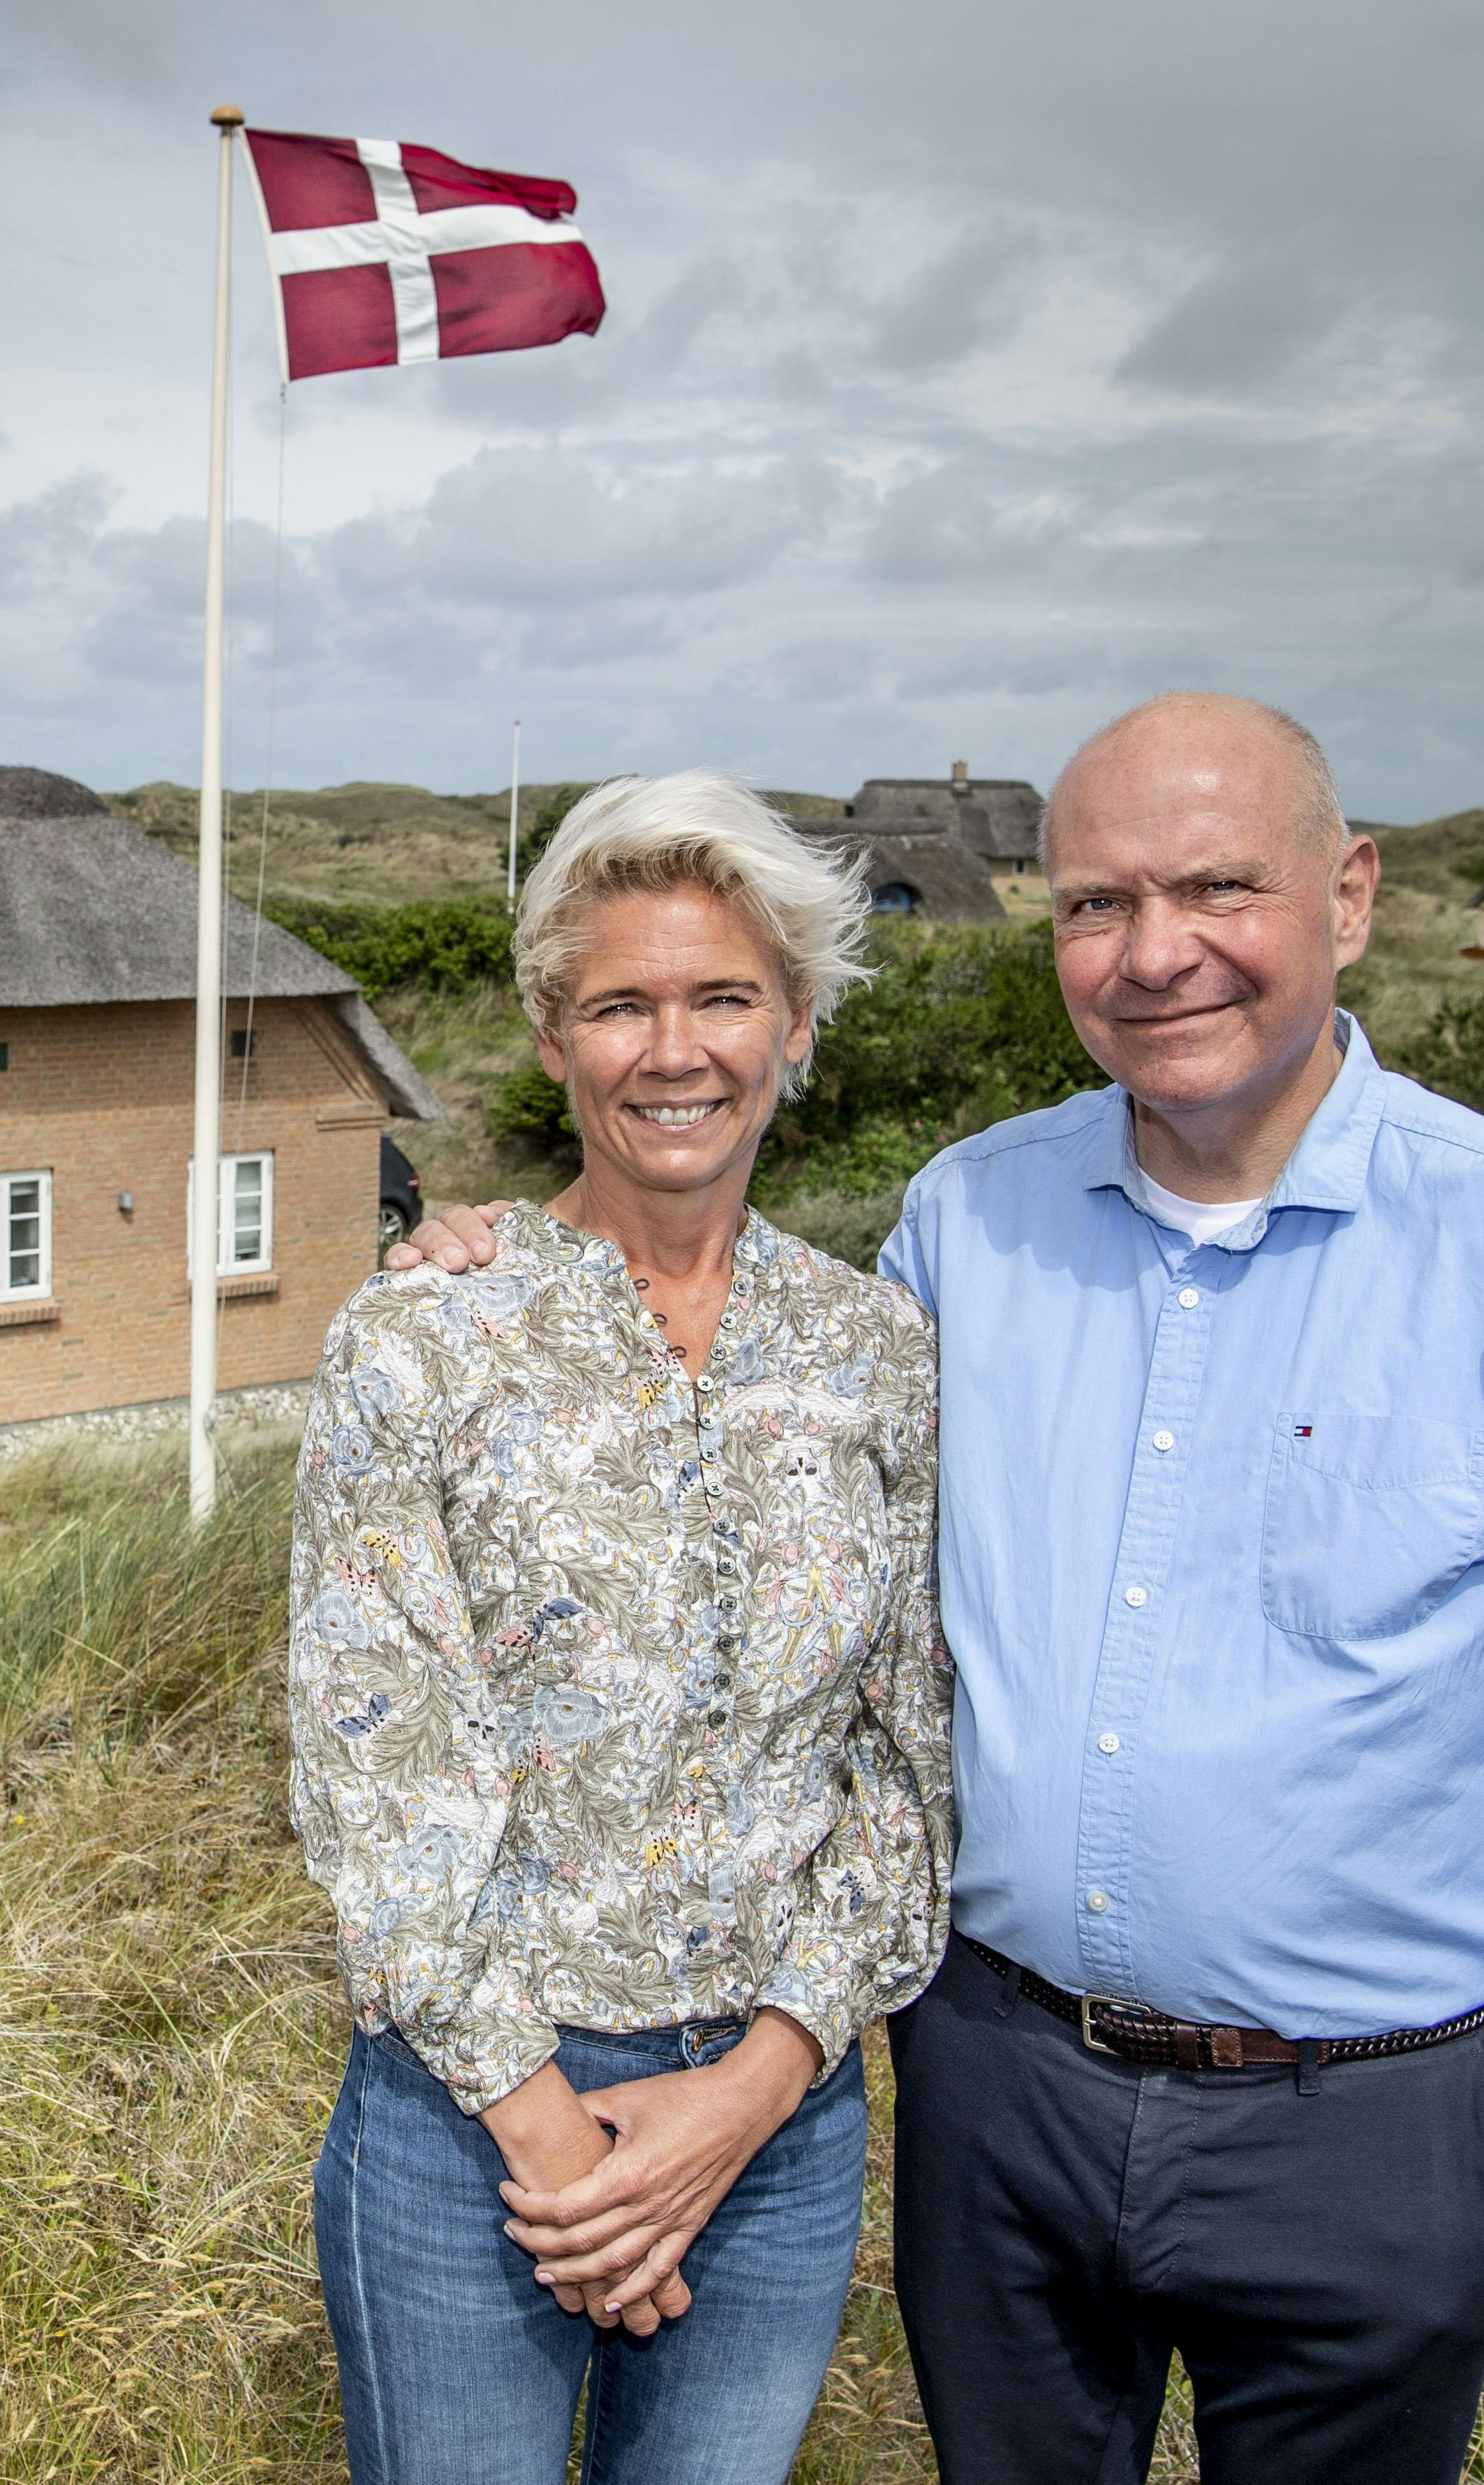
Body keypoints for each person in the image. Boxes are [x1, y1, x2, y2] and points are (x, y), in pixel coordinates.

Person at [398, 694, 1484, 2483]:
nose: (1157, 951)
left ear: (1350, 896)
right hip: (1002, 2097)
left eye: (1219, 887)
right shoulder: (968, 1225)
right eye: (1101, 904)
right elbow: (820, 1591)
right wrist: (490, 1252)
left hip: (1370, 2128)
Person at [290, 769, 955, 2485]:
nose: (676, 1050)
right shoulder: (423, 1339)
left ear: (795, 1024)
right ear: (550, 1038)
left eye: (723, 997)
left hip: (777, 2125)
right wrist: (557, 2144)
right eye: (619, 1006)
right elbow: (377, 1768)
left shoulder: (878, 1349)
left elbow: (905, 1763)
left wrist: (751, 2092)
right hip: (474, 2122)